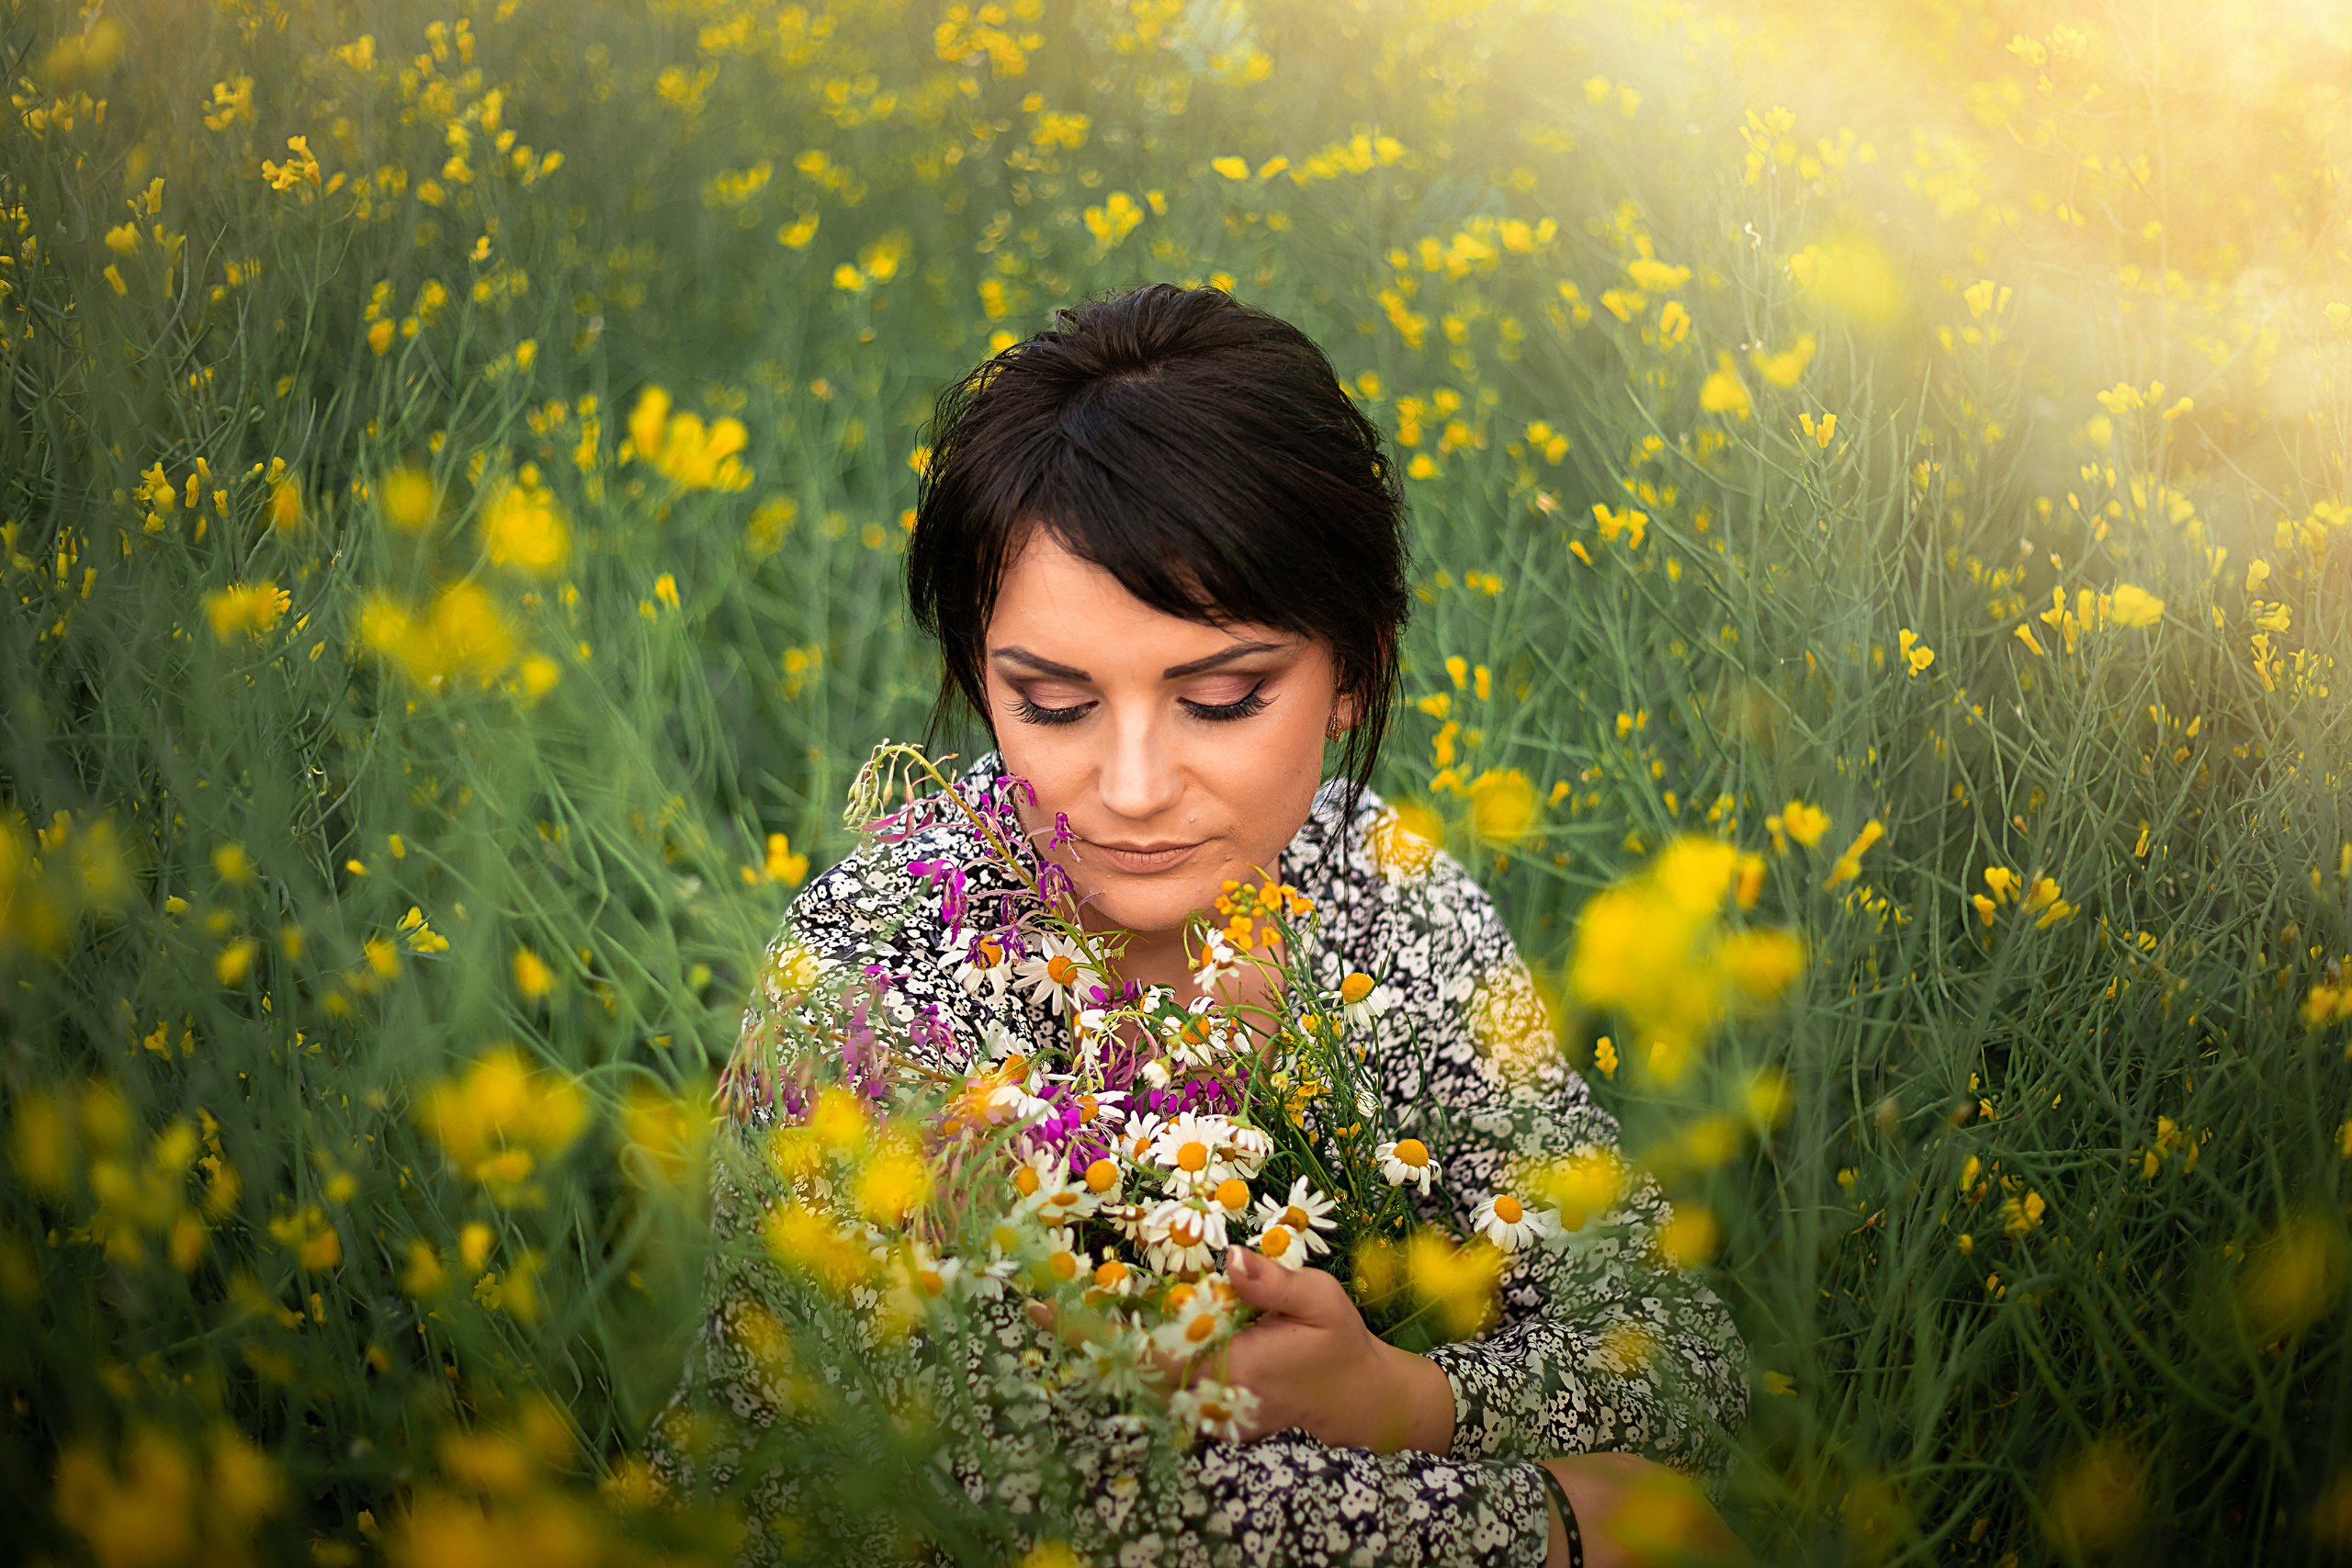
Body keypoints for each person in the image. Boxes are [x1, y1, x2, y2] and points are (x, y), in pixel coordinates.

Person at [676, 284, 1750, 1566]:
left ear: (1354, 669)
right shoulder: (882, 956)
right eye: (1054, 703)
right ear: (978, 679)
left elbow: (1676, 1357)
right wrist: (1546, 1527)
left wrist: (1407, 1399)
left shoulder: (1384, 895)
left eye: (1224, 696)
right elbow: (948, 1488)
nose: (1133, 789)